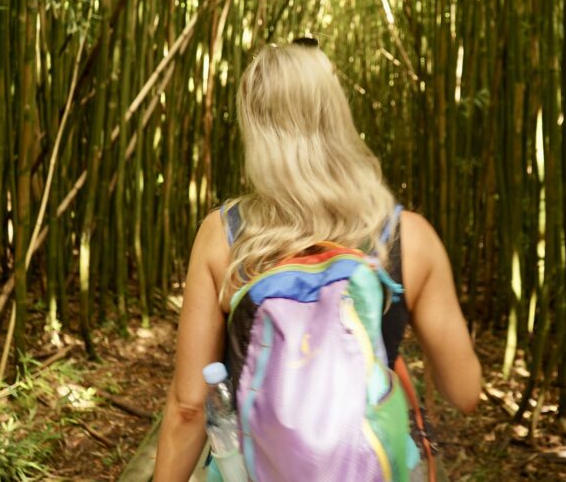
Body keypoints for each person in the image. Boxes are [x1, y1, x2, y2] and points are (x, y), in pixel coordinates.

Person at [153, 41, 481, 482]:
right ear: (338, 115)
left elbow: (190, 407)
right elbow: (464, 392)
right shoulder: (407, 237)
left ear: (256, 128)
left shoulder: (225, 235)